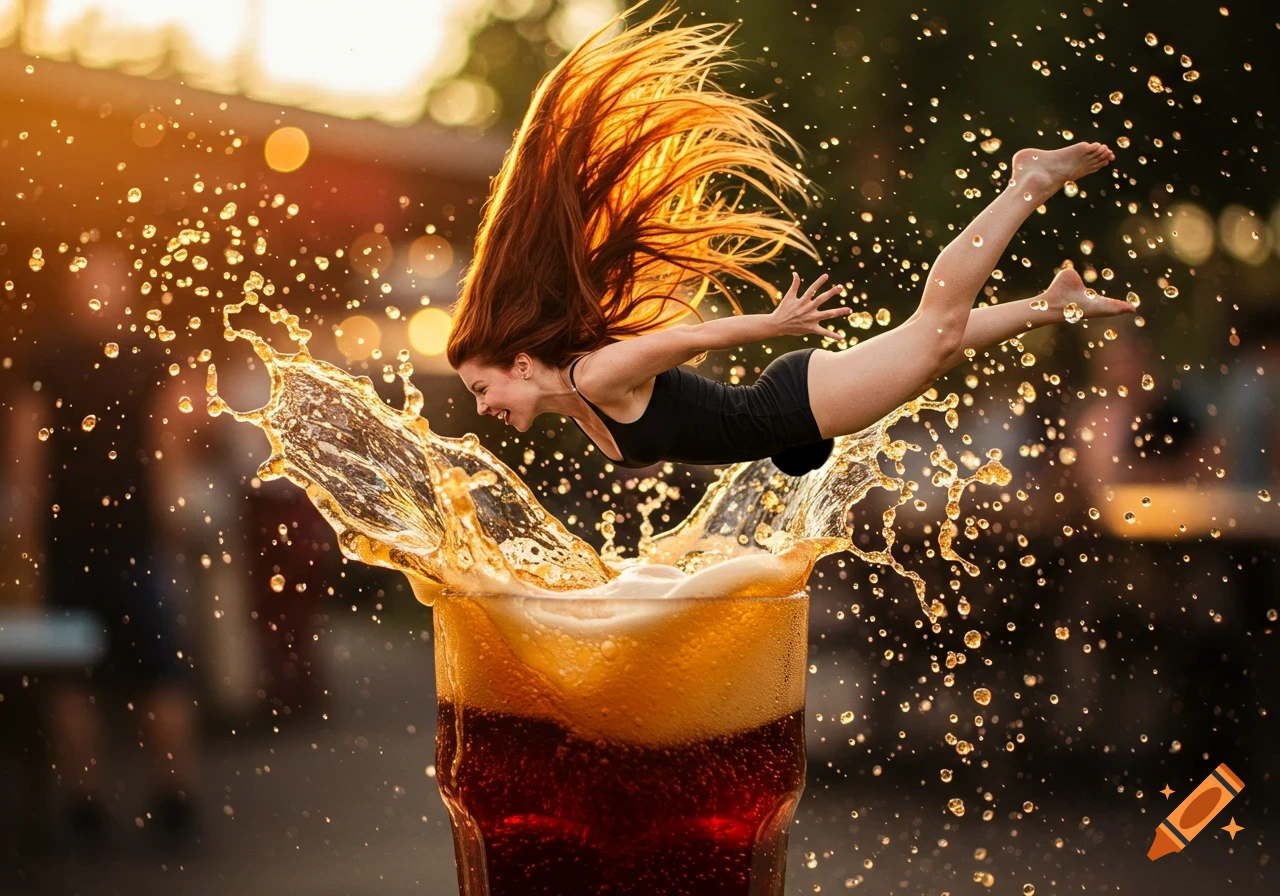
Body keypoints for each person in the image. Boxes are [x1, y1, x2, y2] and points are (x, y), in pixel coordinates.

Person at [447, 1, 1136, 475]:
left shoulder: (593, 377)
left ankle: (1028, 182)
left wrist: (775, 324)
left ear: (522, 365)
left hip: (795, 404)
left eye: (482, 388)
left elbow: (690, 340)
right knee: (933, 344)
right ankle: (1051, 304)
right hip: (790, 417)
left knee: (936, 331)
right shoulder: (576, 401)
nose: (482, 408)